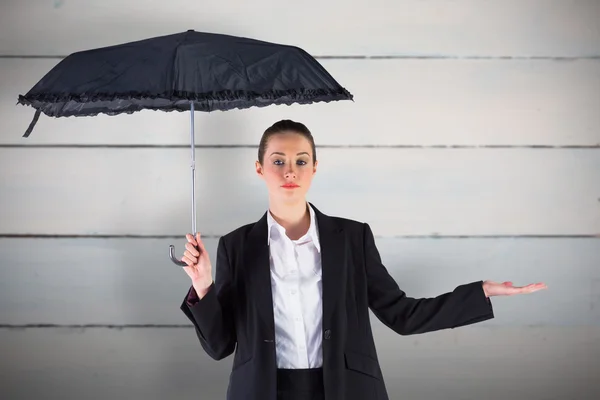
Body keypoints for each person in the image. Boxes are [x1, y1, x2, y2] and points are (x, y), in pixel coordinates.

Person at [178, 119, 547, 400]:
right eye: (278, 161)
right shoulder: (236, 246)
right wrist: (202, 285)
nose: (290, 170)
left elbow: (402, 315)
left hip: (344, 387)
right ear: (260, 169)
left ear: (314, 168)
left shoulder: (352, 238)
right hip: (263, 389)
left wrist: (480, 292)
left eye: (300, 160)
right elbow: (219, 346)